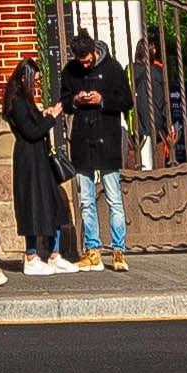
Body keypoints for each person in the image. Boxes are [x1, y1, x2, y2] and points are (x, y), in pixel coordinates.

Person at [0, 44, 76, 272]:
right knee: (33, 206)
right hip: (29, 161)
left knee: (53, 206)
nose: (37, 86)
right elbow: (30, 132)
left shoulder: (26, 101)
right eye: (35, 81)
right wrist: (50, 118)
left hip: (39, 159)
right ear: (25, 79)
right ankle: (31, 255)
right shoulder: (17, 102)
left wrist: (43, 115)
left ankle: (54, 253)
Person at [58, 32, 132, 271]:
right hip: (82, 139)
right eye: (81, 62)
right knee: (86, 200)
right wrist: (76, 100)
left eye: (88, 60)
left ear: (95, 51)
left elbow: (126, 101)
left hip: (107, 137)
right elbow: (64, 102)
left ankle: (119, 249)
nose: (85, 65)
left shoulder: (112, 68)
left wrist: (102, 99)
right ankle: (92, 249)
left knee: (114, 198)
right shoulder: (70, 71)